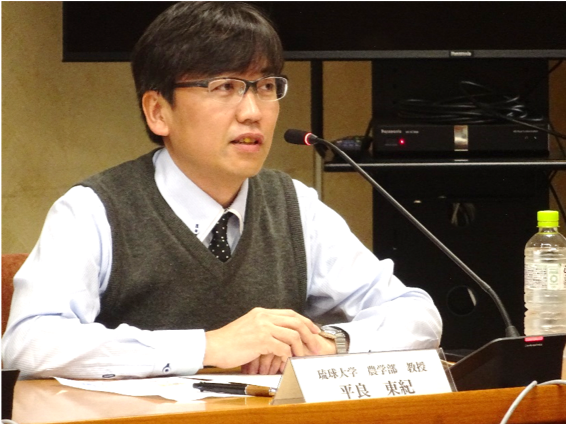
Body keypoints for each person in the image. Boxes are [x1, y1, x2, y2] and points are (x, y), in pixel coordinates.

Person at [1, 1, 442, 380]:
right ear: (158, 112)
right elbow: (29, 342)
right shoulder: (93, 210)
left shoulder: (294, 205)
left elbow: (416, 314)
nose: (252, 112)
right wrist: (208, 347)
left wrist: (328, 343)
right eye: (225, 87)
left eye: (265, 87)